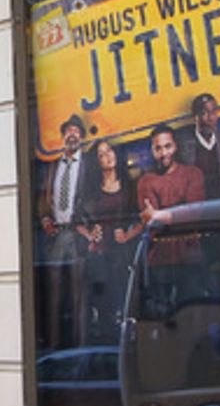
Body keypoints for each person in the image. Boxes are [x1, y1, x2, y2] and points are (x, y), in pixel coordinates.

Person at [75, 140, 142, 341]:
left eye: (110, 150)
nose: (108, 156)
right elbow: (76, 221)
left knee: (126, 305)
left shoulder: (131, 185)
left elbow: (144, 218)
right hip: (100, 255)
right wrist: (90, 234)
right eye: (102, 154)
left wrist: (129, 235)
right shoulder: (91, 191)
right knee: (105, 308)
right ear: (97, 162)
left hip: (125, 253)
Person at [37, 114, 92, 348]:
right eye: (68, 131)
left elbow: (93, 197)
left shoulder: (89, 165)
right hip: (56, 236)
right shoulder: (52, 165)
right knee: (54, 294)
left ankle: (80, 347)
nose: (72, 134)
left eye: (76, 131)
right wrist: (44, 218)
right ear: (62, 137)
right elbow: (42, 197)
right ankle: (54, 345)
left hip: (77, 234)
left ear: (82, 136)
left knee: (79, 295)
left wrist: (86, 224)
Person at [138, 124, 207, 267]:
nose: (163, 153)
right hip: (158, 261)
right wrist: (173, 214)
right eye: (158, 148)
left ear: (175, 146)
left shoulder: (193, 174)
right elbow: (151, 220)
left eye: (167, 146)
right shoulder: (145, 181)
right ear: (152, 151)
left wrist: (159, 215)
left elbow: (194, 213)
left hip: (191, 257)